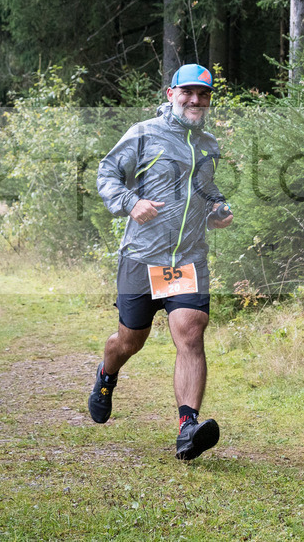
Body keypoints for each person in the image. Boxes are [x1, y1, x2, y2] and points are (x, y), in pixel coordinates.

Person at [92, 63, 233, 461]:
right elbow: (107, 174)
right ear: (170, 93)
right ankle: (106, 375)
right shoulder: (142, 134)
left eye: (203, 94)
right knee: (128, 341)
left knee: (190, 332)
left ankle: (188, 428)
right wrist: (130, 202)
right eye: (187, 92)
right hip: (141, 258)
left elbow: (205, 191)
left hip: (187, 258)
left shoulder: (208, 144)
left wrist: (219, 208)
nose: (195, 100)